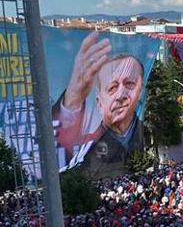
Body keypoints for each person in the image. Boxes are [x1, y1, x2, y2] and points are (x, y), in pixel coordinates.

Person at [52, 31, 145, 168]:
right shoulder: (86, 148)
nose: (120, 95)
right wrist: (71, 101)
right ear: (99, 102)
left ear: (141, 91)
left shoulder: (150, 133)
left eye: (129, 84)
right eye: (112, 88)